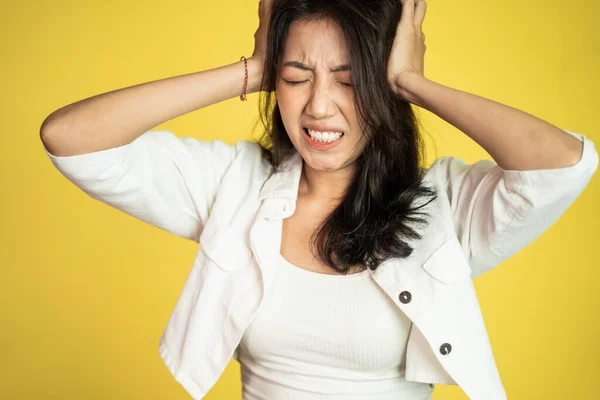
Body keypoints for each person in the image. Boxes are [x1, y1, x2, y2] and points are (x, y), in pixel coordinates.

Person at [40, 0, 598, 399]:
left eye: (351, 80)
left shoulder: (442, 205)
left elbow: (563, 165)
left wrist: (412, 83)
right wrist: (251, 68)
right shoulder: (234, 184)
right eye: (296, 76)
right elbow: (70, 138)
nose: (320, 107)